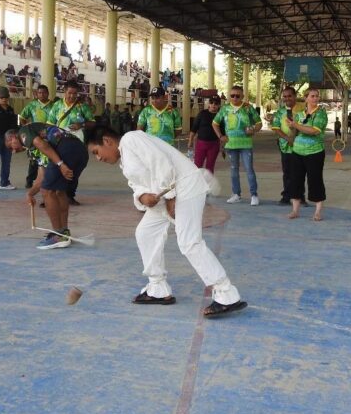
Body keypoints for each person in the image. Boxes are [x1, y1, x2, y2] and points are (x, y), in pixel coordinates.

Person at [85, 126, 247, 317]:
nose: (98, 158)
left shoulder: (130, 139)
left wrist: (170, 197)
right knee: (146, 232)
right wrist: (142, 196)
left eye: (96, 152)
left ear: (107, 141)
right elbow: (138, 185)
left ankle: (226, 294)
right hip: (168, 194)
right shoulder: (125, 158)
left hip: (185, 189)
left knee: (189, 242)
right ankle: (158, 288)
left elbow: (161, 162)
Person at [6, 123, 89, 250]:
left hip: (65, 148)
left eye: (10, 146)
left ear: (13, 137)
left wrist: (60, 164)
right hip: (79, 150)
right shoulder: (32, 150)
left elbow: (42, 144)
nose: (13, 151)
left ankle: (58, 235)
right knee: (59, 191)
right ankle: (64, 232)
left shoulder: (24, 133)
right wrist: (30, 193)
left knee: (48, 191)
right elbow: (42, 177)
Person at [213, 85, 262, 205]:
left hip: (246, 143)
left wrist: (253, 129)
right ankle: (236, 194)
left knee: (249, 169)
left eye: (237, 95)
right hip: (230, 144)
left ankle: (254, 195)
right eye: (232, 95)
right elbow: (215, 123)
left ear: (243, 96)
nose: (234, 98)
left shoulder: (248, 108)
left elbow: (259, 123)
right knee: (233, 169)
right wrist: (220, 136)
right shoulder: (225, 109)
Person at [48, 81, 94, 204]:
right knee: (56, 168)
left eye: (75, 93)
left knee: (73, 170)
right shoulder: (57, 105)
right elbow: (49, 124)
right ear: (64, 91)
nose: (72, 96)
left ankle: (69, 195)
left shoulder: (82, 106)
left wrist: (82, 124)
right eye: (69, 93)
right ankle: (51, 196)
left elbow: (92, 122)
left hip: (77, 145)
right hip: (59, 143)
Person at [288, 87, 328, 221]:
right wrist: (291, 127)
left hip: (315, 152)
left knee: (315, 180)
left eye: (317, 96)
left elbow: (313, 131)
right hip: (298, 151)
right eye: (312, 96)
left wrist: (296, 125)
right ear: (306, 98)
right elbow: (294, 133)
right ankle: (295, 210)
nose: (315, 98)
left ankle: (317, 212)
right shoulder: (298, 115)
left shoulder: (321, 113)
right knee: (295, 180)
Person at [272, 87, 306, 205]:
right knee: (287, 172)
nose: (287, 98)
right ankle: (286, 196)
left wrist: (297, 138)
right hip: (285, 147)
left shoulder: (303, 110)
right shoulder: (280, 112)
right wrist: (287, 138)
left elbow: (306, 125)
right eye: (285, 96)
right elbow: (276, 128)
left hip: (300, 146)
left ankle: (300, 196)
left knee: (300, 173)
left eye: (289, 96)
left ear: (295, 96)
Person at [19, 84, 56, 188]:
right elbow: (22, 116)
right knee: (34, 160)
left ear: (48, 93)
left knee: (50, 158)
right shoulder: (32, 105)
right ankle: (30, 180)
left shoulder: (54, 105)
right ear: (37, 94)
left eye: (44, 92)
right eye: (39, 92)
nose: (42, 94)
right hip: (35, 136)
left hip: (50, 135)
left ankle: (48, 180)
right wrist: (26, 127)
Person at [188, 96, 222, 174]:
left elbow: (223, 132)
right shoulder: (202, 113)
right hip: (201, 143)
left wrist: (223, 145)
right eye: (211, 102)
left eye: (216, 103)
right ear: (209, 104)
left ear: (219, 105)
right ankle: (197, 184)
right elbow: (194, 128)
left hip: (214, 144)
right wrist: (190, 141)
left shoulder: (221, 116)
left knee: (210, 167)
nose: (213, 105)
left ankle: (208, 185)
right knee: (197, 166)